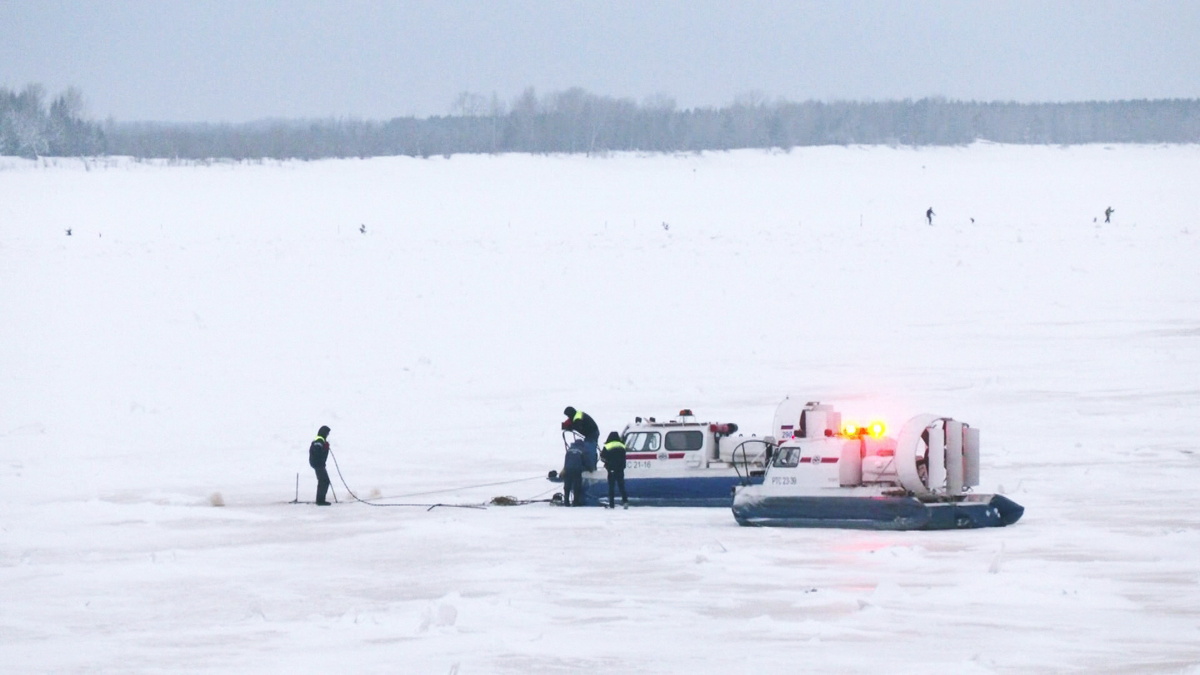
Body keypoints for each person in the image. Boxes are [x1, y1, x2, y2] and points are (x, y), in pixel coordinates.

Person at [562, 406, 599, 471]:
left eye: (568, 415)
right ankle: (587, 465)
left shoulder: (577, 417)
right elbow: (568, 423)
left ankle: (591, 467)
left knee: (590, 449)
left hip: (593, 433)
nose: (568, 417)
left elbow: (577, 426)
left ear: (570, 414)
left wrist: (570, 427)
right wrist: (565, 425)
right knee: (586, 449)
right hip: (588, 434)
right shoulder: (575, 416)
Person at [600, 431, 628, 509]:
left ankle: (611, 504)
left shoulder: (608, 445)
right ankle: (625, 502)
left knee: (611, 487)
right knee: (621, 486)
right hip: (620, 469)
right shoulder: (622, 445)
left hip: (611, 469)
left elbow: (602, 457)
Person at [309, 425, 332, 506]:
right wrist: (325, 448)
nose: (328, 435)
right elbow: (317, 451)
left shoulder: (319, 439)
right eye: (327, 433)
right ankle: (320, 501)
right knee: (324, 481)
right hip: (318, 464)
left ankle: (320, 499)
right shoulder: (319, 440)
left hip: (318, 463)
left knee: (323, 481)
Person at [561, 440, 585, 506]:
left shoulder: (569, 450)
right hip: (577, 470)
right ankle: (576, 502)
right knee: (576, 486)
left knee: (567, 486)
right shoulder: (582, 450)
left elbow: (566, 460)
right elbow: (584, 461)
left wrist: (564, 469)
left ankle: (566, 502)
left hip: (568, 469)